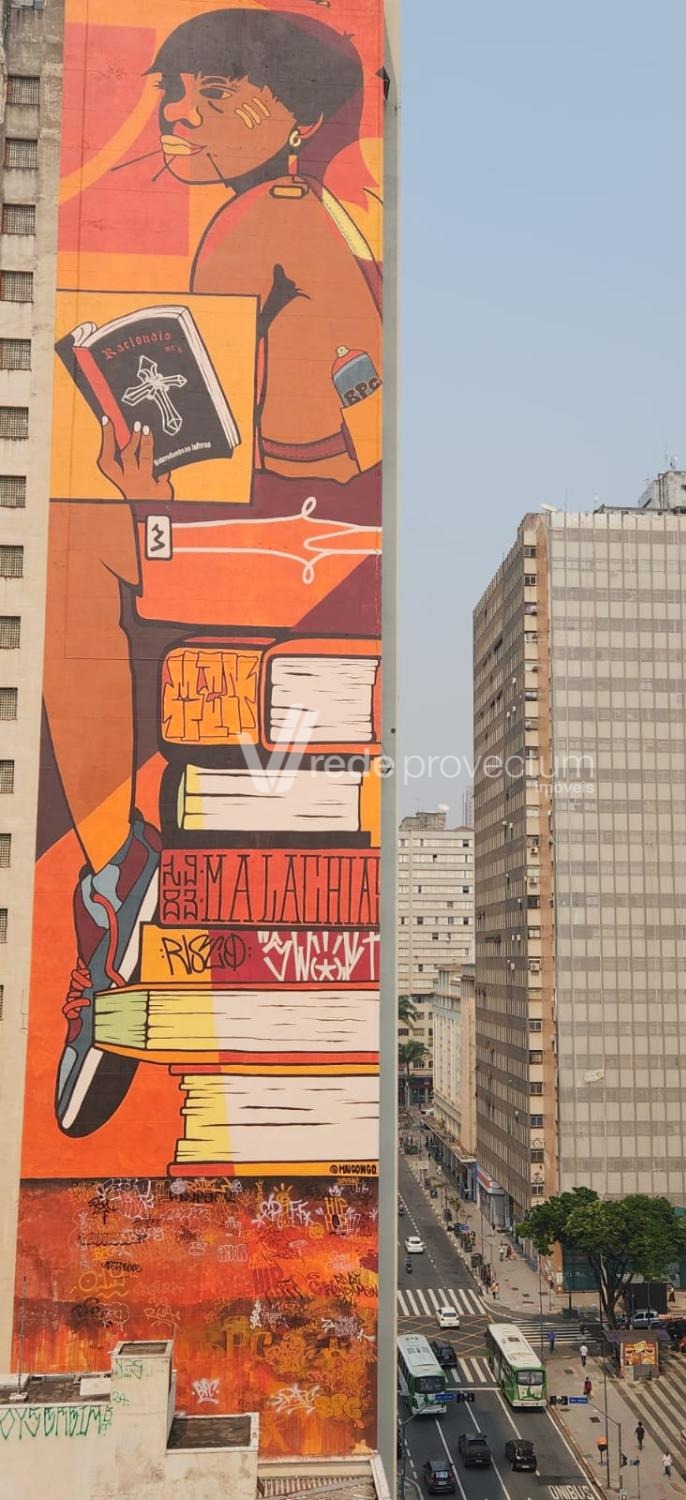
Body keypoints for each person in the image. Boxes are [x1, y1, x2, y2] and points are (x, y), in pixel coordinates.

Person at [46, 7, 383, 1138]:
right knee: (94, 528)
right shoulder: (301, 215)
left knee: (79, 546)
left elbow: (357, 404)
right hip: (305, 531)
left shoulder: (264, 221)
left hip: (308, 544)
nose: (175, 117)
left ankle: (110, 878)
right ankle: (119, 886)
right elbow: (344, 399)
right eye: (171, 92)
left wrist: (155, 503)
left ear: (293, 121)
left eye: (211, 94)